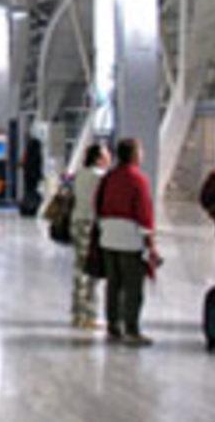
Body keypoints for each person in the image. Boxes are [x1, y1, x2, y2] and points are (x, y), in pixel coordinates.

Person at [97, 138, 160, 347]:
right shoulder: (137, 179)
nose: (142, 155)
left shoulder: (109, 177)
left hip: (108, 237)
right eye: (140, 151)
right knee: (133, 287)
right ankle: (131, 329)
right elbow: (144, 213)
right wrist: (151, 243)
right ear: (133, 155)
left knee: (113, 284)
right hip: (130, 239)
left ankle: (113, 326)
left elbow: (98, 203)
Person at [71, 143, 110, 330]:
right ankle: (88, 315)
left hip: (77, 222)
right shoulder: (100, 177)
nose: (109, 157)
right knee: (91, 271)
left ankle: (77, 313)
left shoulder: (80, 174)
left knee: (79, 269)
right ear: (98, 158)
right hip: (91, 225)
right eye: (106, 154)